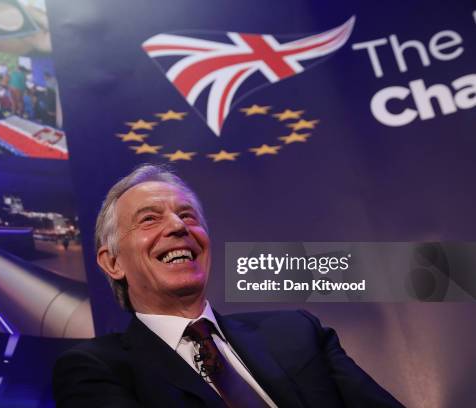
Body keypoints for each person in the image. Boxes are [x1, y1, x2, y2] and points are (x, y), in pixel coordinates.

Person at [53, 164, 404, 408]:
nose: (178, 226)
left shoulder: (297, 332)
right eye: (149, 218)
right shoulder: (96, 369)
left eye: (188, 215)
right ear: (112, 262)